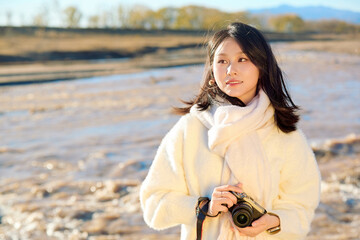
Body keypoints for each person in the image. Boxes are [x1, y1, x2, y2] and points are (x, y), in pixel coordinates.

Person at [140, 22, 321, 240]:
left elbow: (302, 205)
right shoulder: (189, 129)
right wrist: (203, 206)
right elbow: (153, 203)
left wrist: (273, 221)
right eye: (222, 60)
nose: (230, 70)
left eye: (242, 59)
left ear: (261, 65)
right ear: (211, 68)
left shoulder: (284, 133)